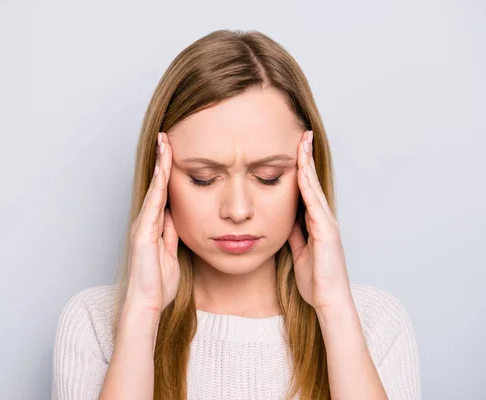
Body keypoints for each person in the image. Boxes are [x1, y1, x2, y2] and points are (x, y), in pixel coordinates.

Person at [51, 29, 421, 400]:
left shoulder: (376, 323)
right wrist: (143, 313)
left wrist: (335, 310)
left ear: (308, 171)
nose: (238, 210)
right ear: (158, 178)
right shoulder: (94, 323)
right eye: (203, 179)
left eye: (268, 177)